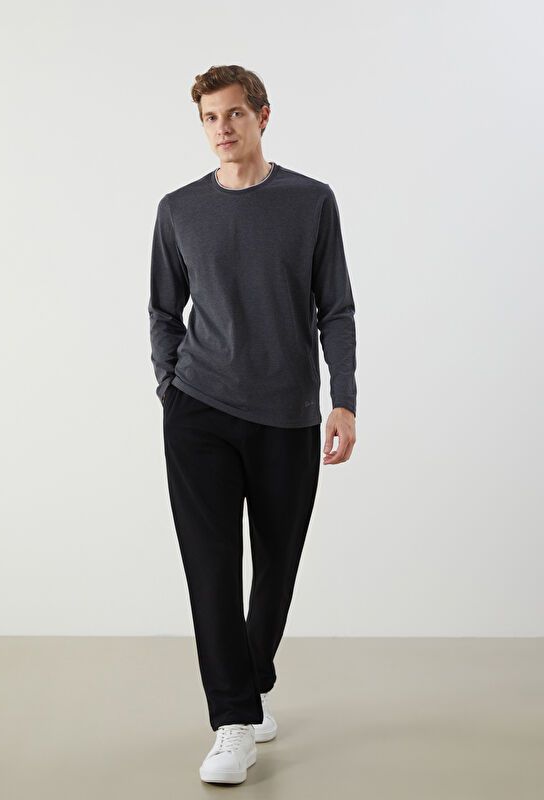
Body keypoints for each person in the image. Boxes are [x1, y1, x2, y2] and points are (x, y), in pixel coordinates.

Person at [148, 64, 357, 785]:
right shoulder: (179, 209)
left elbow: (336, 308)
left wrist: (343, 398)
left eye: (234, 114)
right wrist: (170, 388)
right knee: (211, 568)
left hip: (287, 413)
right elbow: (163, 310)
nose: (222, 129)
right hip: (199, 412)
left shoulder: (310, 202)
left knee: (277, 564)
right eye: (210, 117)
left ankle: (252, 676)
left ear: (263, 116)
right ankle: (232, 719)